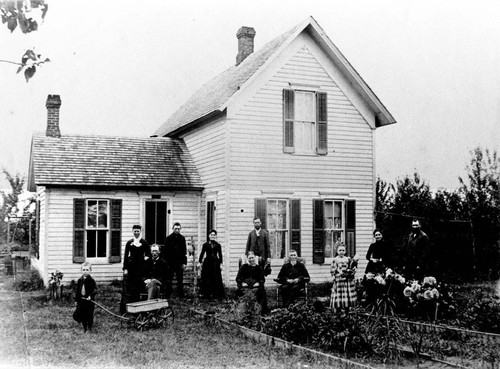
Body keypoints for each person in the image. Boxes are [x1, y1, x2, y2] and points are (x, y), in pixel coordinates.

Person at [121, 225, 150, 312]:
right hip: (131, 268)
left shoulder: (144, 242)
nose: (136, 233)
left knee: (138, 286)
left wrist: (146, 258)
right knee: (130, 287)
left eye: (138, 231)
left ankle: (138, 306)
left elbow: (148, 253)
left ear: (140, 232)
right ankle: (128, 306)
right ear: (132, 232)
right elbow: (126, 256)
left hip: (140, 268)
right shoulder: (129, 243)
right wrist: (125, 268)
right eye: (135, 231)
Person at [198, 230, 225, 299]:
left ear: (216, 236)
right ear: (209, 236)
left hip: (215, 263)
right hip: (208, 262)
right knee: (207, 278)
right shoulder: (205, 244)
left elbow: (220, 255)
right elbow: (202, 253)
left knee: (215, 278)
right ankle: (207, 294)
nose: (213, 236)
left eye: (214, 235)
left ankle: (216, 294)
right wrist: (199, 262)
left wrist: (221, 264)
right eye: (211, 235)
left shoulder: (218, 245)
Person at [162, 222, 187, 298]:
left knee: (180, 280)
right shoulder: (168, 238)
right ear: (173, 229)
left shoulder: (182, 238)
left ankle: (181, 296)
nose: (177, 230)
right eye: (175, 228)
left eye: (178, 229)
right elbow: (165, 252)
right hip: (170, 263)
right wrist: (166, 263)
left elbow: (184, 251)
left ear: (180, 229)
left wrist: (184, 263)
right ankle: (168, 296)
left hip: (179, 263)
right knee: (169, 280)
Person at [330, 244, 357, 312]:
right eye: (340, 250)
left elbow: (351, 268)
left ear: (345, 251)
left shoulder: (348, 259)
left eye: (343, 250)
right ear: (337, 251)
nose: (341, 252)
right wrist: (335, 276)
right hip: (339, 280)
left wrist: (351, 271)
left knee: (346, 295)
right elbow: (333, 270)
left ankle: (347, 309)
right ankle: (338, 310)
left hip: (346, 280)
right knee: (338, 296)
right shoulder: (335, 260)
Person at [74, 262, 98, 333]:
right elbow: (77, 291)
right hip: (82, 301)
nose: (85, 271)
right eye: (83, 270)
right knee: (83, 314)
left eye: (87, 270)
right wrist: (76, 300)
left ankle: (89, 328)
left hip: (89, 301)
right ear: (81, 270)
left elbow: (95, 290)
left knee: (89, 314)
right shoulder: (79, 280)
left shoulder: (91, 280)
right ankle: (85, 328)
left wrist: (90, 296)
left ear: (90, 270)